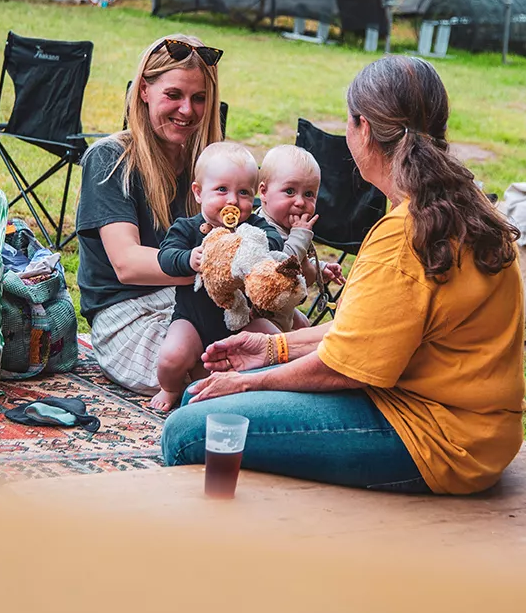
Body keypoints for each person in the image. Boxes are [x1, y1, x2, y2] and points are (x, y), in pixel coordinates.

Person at [160, 56, 526, 495]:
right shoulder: (462, 208)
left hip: (433, 438)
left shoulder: (404, 233)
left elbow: (347, 368)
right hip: (477, 432)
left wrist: (249, 380)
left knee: (186, 431)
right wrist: (274, 347)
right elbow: (369, 332)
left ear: (363, 129)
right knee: (198, 396)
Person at [74, 35, 224, 394]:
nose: (187, 110)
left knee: (273, 341)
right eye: (174, 95)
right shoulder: (110, 159)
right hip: (127, 315)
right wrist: (211, 267)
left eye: (199, 98)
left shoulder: (207, 165)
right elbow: (127, 264)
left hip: (193, 300)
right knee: (221, 370)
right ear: (144, 90)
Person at [152, 142, 285, 411]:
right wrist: (189, 259)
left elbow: (275, 240)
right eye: (222, 190)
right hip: (193, 321)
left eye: (243, 192)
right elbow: (165, 256)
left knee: (278, 342)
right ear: (198, 193)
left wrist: (252, 247)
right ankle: (171, 388)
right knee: (171, 358)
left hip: (243, 322)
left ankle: (272, 386)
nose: (232, 201)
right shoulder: (188, 228)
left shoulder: (253, 227)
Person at [254, 144, 344, 330]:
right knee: (279, 336)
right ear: (263, 192)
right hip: (258, 317)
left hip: (281, 310)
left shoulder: (289, 228)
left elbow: (301, 261)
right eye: (289, 191)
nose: (301, 202)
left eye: (309, 194)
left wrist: (319, 268)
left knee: (302, 323)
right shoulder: (260, 231)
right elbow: (280, 269)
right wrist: (299, 238)